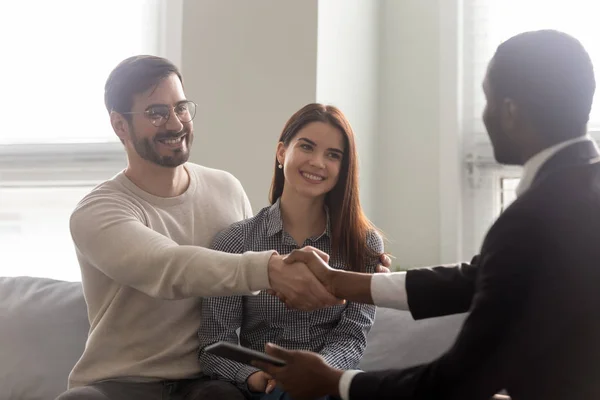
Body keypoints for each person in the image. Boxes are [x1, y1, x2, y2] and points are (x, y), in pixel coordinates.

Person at [256, 30, 600, 400]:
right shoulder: (578, 193)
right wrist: (340, 281)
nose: (483, 116)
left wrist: (334, 382)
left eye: (486, 100)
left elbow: (460, 378)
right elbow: (473, 280)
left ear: (511, 111)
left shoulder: (531, 218)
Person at [55, 56, 345, 400]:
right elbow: (167, 266)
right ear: (120, 125)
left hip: (207, 380)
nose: (175, 123)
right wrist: (268, 269)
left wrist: (355, 263)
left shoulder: (225, 188)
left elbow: (250, 283)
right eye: (156, 113)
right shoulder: (98, 212)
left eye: (180, 108)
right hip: (121, 383)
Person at [198, 104, 385, 400]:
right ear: (282, 152)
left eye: (333, 155)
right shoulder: (235, 242)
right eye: (307, 147)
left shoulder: (364, 247)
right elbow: (213, 345)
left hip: (326, 386)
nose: (317, 162)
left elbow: (352, 337)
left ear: (343, 169)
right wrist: (256, 377)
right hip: (258, 388)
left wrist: (314, 375)